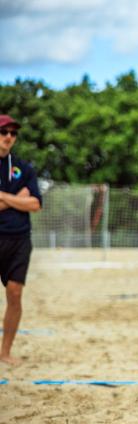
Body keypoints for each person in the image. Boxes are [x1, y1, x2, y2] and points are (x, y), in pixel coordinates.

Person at [0, 114, 42, 366]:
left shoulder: (24, 168)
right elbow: (26, 200)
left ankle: (4, 352)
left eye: (13, 133)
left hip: (18, 240)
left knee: (14, 295)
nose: (9, 137)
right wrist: (18, 198)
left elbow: (35, 203)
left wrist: (3, 196)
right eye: (4, 132)